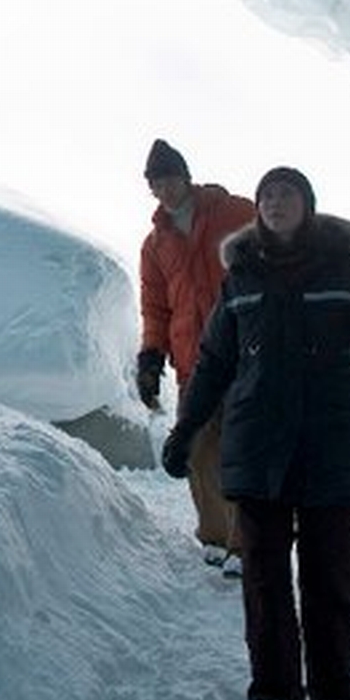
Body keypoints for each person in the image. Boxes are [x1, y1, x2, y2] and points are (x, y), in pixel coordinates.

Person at [160, 166, 350, 700]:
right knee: (263, 573)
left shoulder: (346, 268)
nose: (276, 203)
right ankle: (274, 691)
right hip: (258, 444)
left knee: (331, 571)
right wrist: (187, 429)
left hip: (334, 439)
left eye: (287, 193)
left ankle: (333, 687)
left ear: (307, 203)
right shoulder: (241, 279)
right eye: (267, 195)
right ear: (257, 209)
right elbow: (213, 363)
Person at [136, 139, 257, 576]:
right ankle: (214, 537)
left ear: (185, 176)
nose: (164, 191)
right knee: (201, 449)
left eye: (169, 180)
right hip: (192, 360)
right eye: (155, 185)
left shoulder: (236, 212)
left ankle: (247, 542)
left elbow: (280, 248)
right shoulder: (154, 245)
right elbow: (156, 307)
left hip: (246, 352)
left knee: (243, 446)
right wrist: (151, 355)